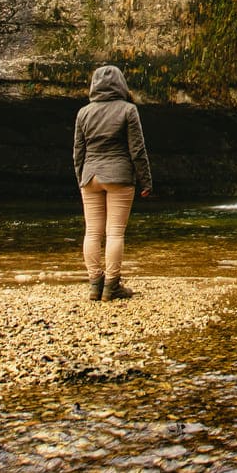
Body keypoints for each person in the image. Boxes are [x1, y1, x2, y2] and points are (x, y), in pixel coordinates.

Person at [73, 64, 153, 301]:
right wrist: (146, 180)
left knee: (92, 232)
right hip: (118, 175)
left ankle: (94, 284)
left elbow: (78, 151)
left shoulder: (83, 113)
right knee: (115, 232)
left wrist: (81, 178)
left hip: (90, 176)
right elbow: (137, 150)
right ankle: (112, 286)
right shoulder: (128, 110)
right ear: (121, 84)